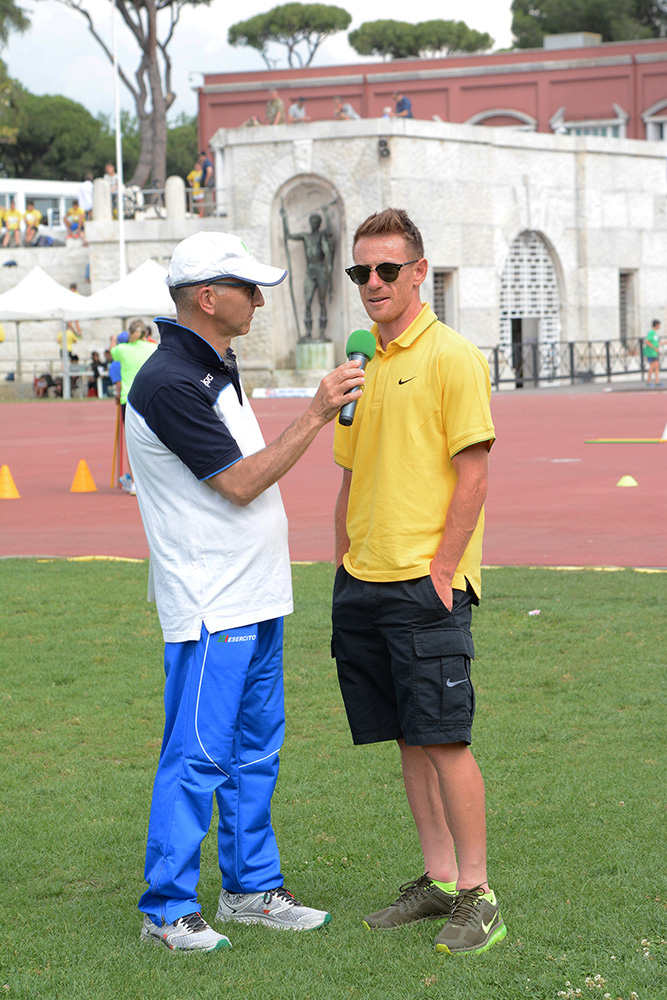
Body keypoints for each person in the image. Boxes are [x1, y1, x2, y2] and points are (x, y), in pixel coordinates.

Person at [124, 231, 364, 952]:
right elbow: (239, 483)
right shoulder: (170, 380)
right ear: (207, 297)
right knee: (198, 754)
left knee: (255, 752)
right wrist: (315, 413)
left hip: (254, 595)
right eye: (247, 288)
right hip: (211, 602)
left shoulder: (210, 367)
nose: (259, 300)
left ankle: (250, 889)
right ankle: (166, 911)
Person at [331, 208, 505, 957]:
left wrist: (442, 569)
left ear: (418, 274)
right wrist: (341, 555)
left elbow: (474, 475)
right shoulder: (360, 363)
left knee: (444, 740)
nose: (372, 282)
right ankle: (437, 878)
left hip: (423, 583)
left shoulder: (451, 356)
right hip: (362, 579)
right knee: (407, 737)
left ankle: (478, 894)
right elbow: (349, 473)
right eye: (360, 271)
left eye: (386, 269)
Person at [111, 320, 157, 494]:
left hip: (129, 399)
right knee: (156, 439)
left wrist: (113, 339)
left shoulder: (122, 349)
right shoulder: (153, 347)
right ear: (146, 333)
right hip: (151, 397)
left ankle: (136, 482)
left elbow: (112, 352)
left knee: (132, 442)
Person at [280, 205, 335, 339]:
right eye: (312, 221)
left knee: (322, 302)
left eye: (316, 222)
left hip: (321, 270)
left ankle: (322, 332)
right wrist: (285, 219)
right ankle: (308, 332)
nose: (314, 224)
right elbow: (289, 236)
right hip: (310, 271)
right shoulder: (305, 236)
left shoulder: (322, 235)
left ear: (319, 223)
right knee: (308, 302)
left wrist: (326, 214)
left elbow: (329, 232)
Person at [644, 319, 661, 387]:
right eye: (659, 325)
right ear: (656, 325)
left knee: (657, 366)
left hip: (655, 352)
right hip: (651, 352)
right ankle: (648, 382)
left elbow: (656, 342)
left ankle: (657, 381)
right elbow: (647, 341)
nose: (659, 326)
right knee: (652, 366)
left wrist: (664, 343)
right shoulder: (651, 332)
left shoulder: (655, 333)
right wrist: (654, 348)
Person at [199, 149, 215, 216]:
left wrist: (206, 180)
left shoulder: (207, 162)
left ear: (203, 156)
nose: (200, 158)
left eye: (200, 157)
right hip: (207, 184)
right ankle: (208, 213)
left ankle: (209, 213)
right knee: (207, 198)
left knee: (208, 198)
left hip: (208, 184)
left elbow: (209, 171)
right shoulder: (205, 162)